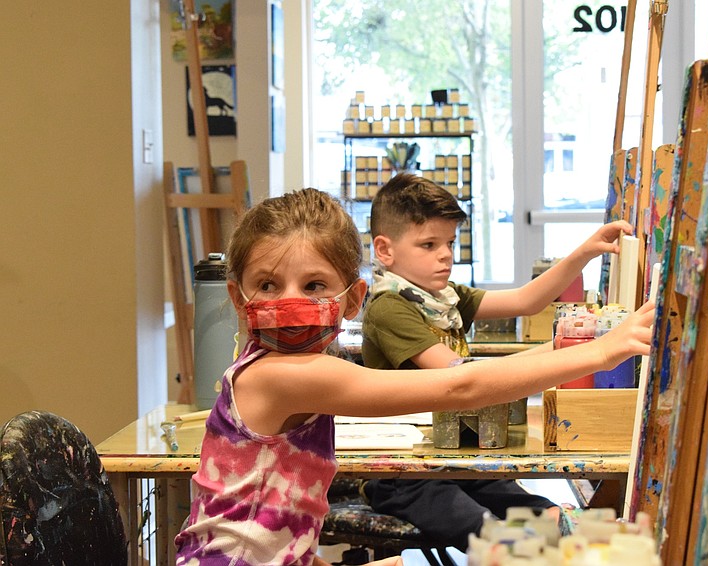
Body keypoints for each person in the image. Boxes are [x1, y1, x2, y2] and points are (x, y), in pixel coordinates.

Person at [174, 188, 654, 566]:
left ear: (350, 298)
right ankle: (616, 544)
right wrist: (602, 350)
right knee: (504, 541)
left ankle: (603, 540)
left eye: (314, 285)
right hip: (398, 486)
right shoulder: (283, 375)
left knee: (510, 526)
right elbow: (459, 386)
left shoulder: (281, 369)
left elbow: (268, 522)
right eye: (268, 286)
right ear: (241, 300)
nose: (290, 300)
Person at [360, 173, 637, 550]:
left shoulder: (445, 297)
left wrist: (584, 252)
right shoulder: (389, 306)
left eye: (449, 243)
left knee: (551, 519)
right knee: (499, 540)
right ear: (384, 250)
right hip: (408, 473)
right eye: (428, 244)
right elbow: (461, 378)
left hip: (458, 456)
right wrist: (575, 351)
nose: (445, 254)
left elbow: (527, 301)